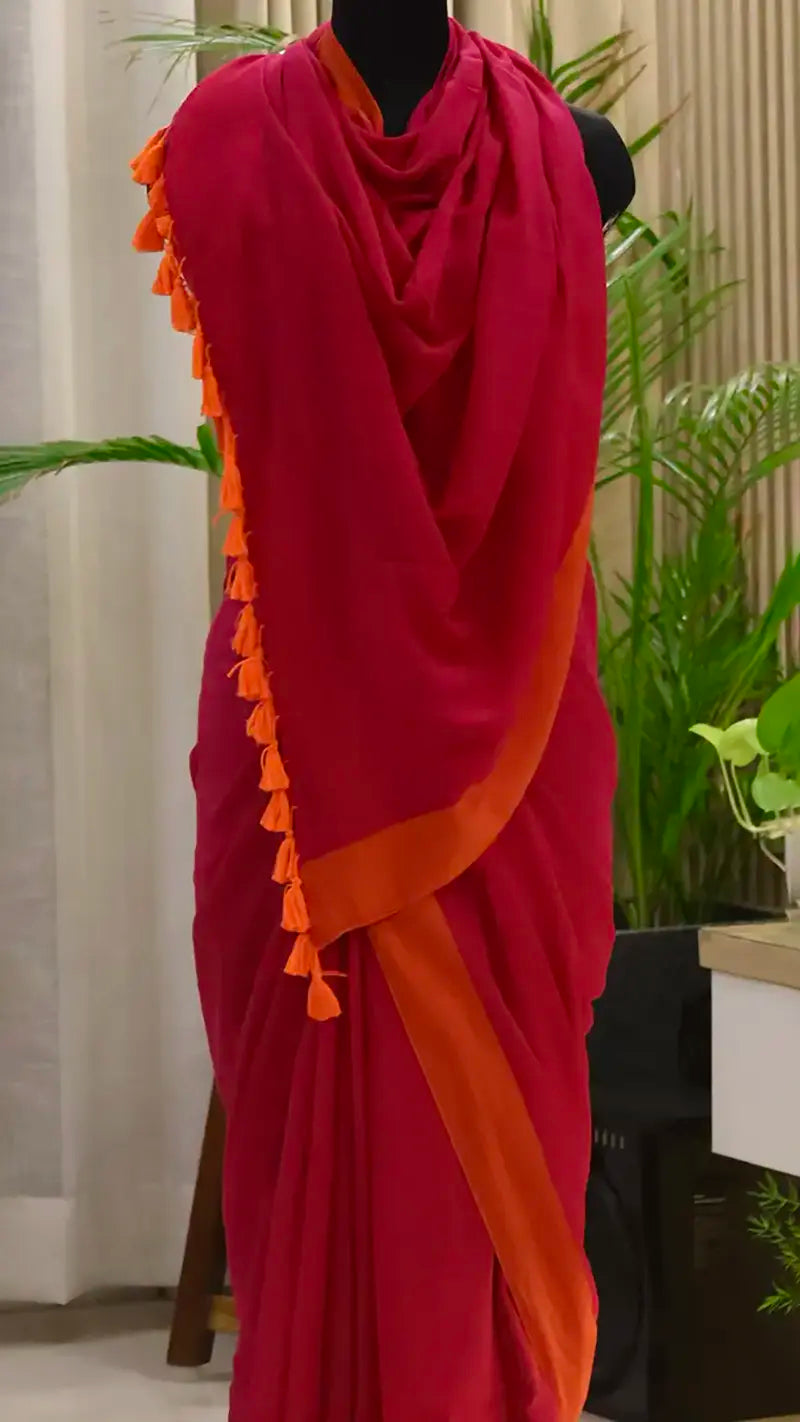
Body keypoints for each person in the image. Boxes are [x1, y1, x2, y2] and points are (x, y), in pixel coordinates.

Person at [132, 12, 624, 1420]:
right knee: (302, 1105)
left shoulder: (569, 154)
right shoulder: (229, 141)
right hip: (301, 730)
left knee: (505, 1110)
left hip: (508, 725)